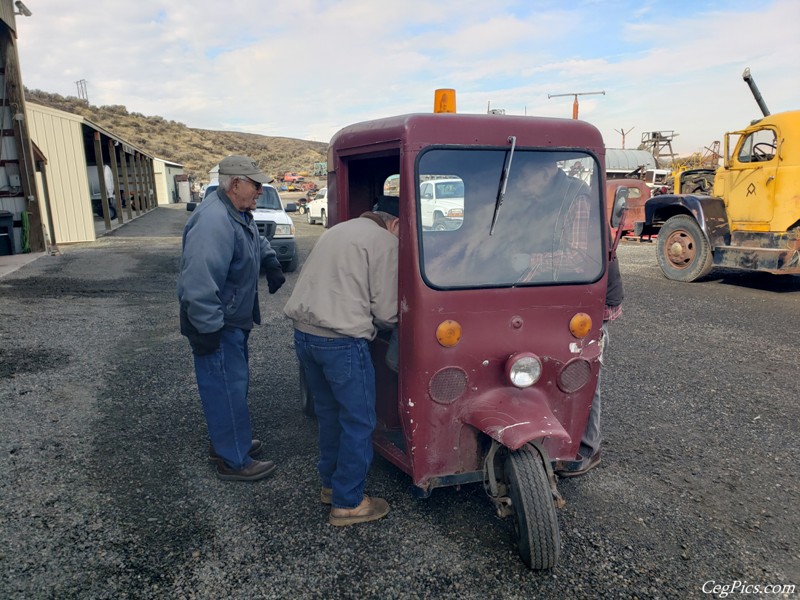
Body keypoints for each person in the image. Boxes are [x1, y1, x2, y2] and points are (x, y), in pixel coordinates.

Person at [284, 198, 400, 526]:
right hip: (340, 342)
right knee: (359, 419)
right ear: (395, 223)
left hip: (305, 335)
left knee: (330, 414)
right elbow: (389, 312)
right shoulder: (385, 241)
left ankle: (330, 486)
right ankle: (348, 501)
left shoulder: (339, 230)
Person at [177, 155, 286, 482]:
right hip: (215, 324)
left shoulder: (236, 212)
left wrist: (269, 260)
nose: (260, 191)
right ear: (235, 183)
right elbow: (198, 282)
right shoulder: (214, 222)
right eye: (255, 185)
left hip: (229, 320)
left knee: (233, 386)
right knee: (225, 387)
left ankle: (230, 441)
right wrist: (208, 329)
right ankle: (233, 459)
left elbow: (254, 237)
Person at [555, 232, 624, 477]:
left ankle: (588, 447)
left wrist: (526, 259)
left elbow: (578, 257)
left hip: (595, 304)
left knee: (584, 375)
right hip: (577, 298)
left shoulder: (581, 200)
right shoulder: (563, 198)